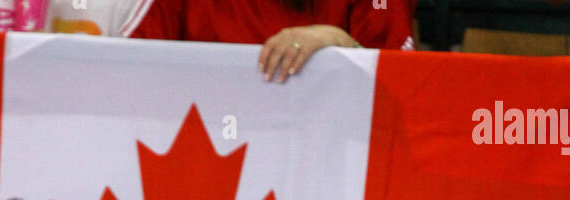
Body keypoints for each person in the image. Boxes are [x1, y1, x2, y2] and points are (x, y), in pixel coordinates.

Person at [125, 0, 416, 79]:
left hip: (332, 167)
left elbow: (403, 93)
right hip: (204, 158)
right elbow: (128, 72)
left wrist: (344, 45)